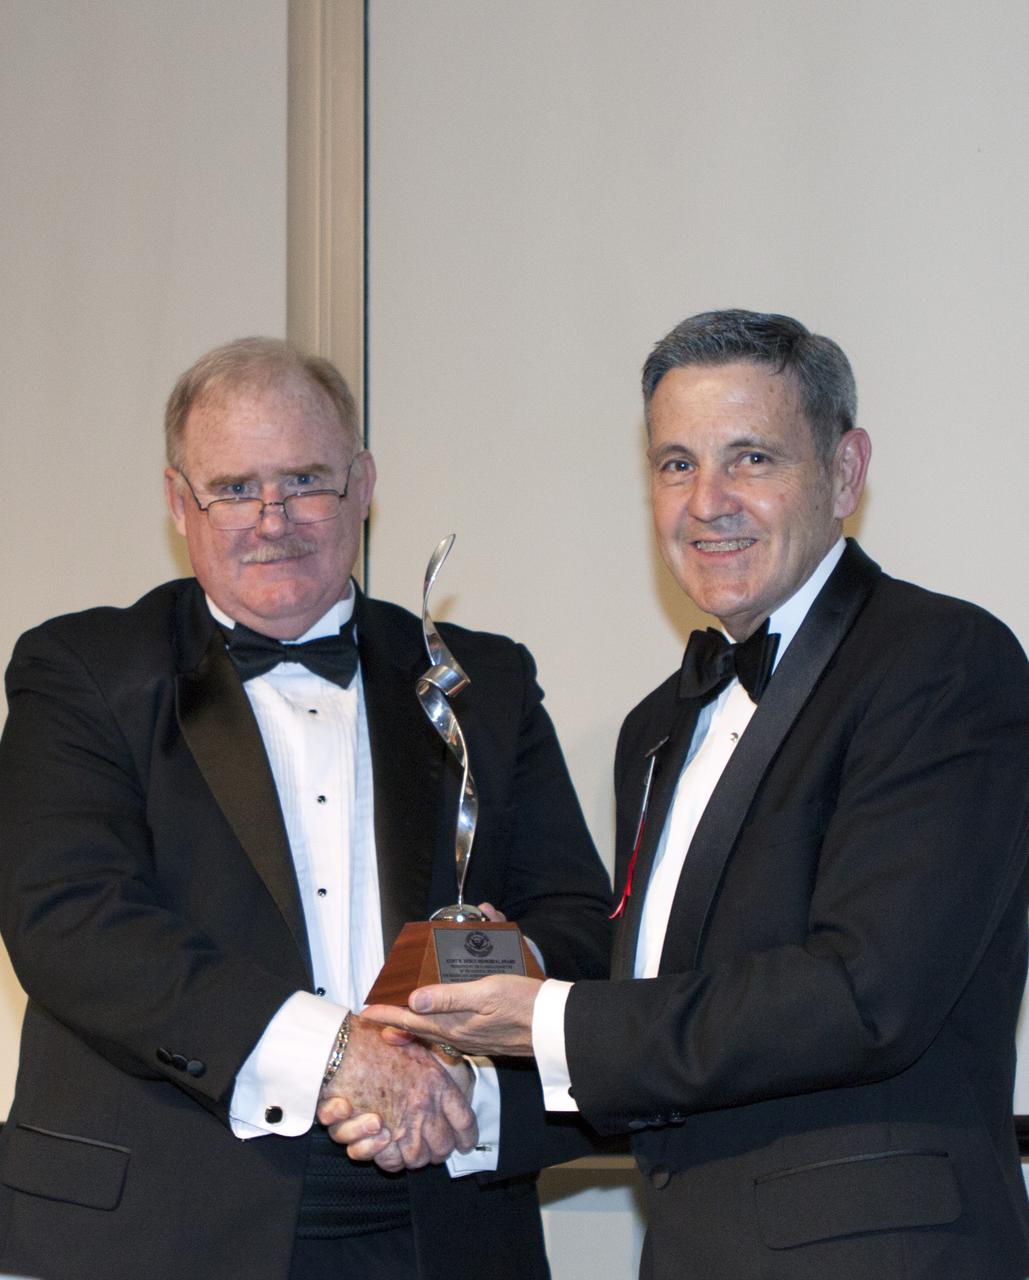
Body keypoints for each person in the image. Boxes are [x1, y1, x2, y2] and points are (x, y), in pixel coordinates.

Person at [356, 310, 1029, 1278]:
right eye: (676, 464)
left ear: (845, 470)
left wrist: (547, 1017)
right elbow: (663, 1026)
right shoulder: (658, 725)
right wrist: (466, 1104)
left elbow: (863, 992)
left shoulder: (941, 662)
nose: (707, 501)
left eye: (751, 458)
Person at [0, 337, 612, 1280]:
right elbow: (70, 922)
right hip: (164, 1222)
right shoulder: (81, 671)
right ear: (178, 502)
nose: (272, 518)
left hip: (439, 1198)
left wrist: (459, 1063)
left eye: (306, 481)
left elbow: (574, 927)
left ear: (363, 484)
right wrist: (335, 1054)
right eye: (234, 487)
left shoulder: (480, 680)